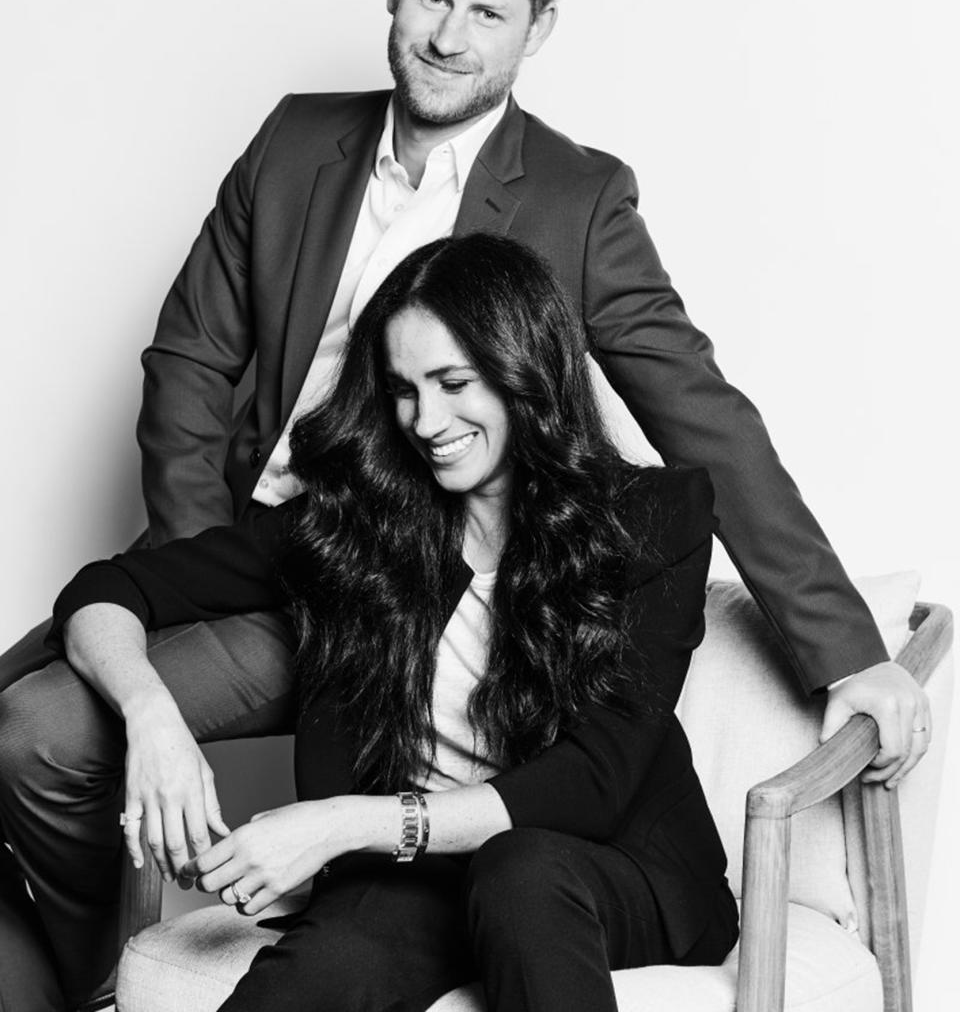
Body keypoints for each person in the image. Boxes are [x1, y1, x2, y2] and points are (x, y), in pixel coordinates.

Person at [0, 0, 928, 1008]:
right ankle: (87, 975)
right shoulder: (297, 142)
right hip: (308, 552)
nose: (447, 36)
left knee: (463, 888)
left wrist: (846, 649)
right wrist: (203, 584)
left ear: (536, 29)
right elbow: (190, 362)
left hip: (439, 571)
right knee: (35, 729)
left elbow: (703, 416)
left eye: (486, 13)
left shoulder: (579, 200)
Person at [50, 234, 739, 1012]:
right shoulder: (353, 532)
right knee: (319, 973)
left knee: (519, 872)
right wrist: (151, 717)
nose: (424, 419)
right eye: (403, 389)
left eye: (454, 382)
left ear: (526, 370)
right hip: (421, 881)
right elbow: (106, 590)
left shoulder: (654, 517)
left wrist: (342, 823)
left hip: (614, 870)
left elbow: (593, 784)